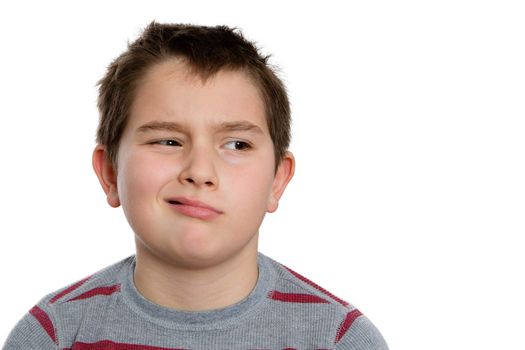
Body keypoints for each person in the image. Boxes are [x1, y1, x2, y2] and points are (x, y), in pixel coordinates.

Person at [3, 22, 388, 350]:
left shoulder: (339, 339)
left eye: (237, 144)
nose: (200, 171)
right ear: (108, 173)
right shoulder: (53, 335)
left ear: (277, 180)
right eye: (167, 141)